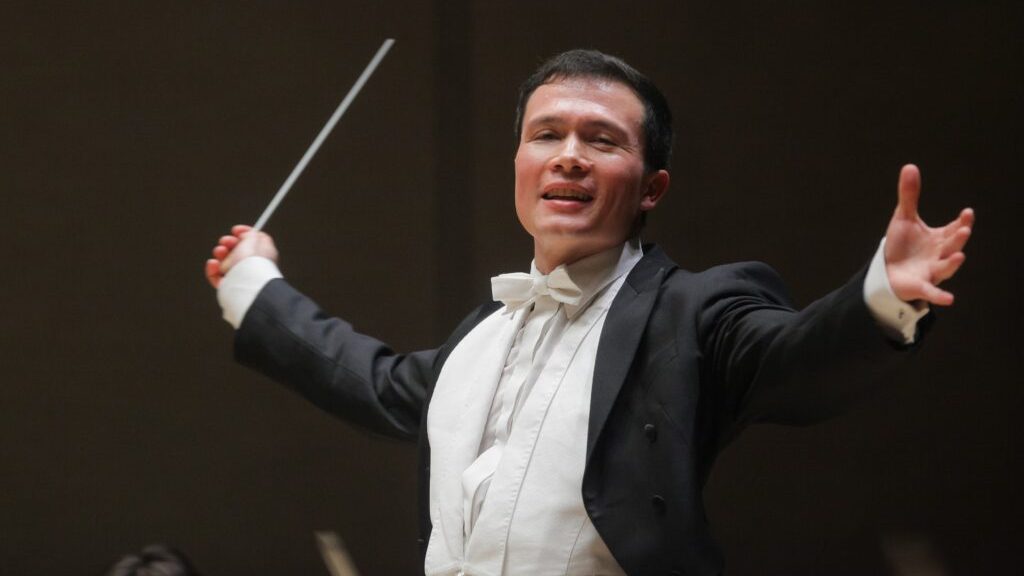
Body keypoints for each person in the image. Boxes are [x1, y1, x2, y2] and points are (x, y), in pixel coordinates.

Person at [204, 50, 974, 576]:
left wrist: (882, 292)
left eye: (600, 140)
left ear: (651, 188)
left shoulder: (694, 313)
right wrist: (252, 286)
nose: (568, 154)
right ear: (519, 167)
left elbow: (799, 355)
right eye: (547, 135)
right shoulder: (480, 338)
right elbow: (366, 377)